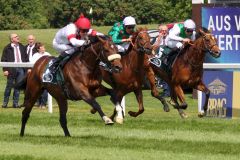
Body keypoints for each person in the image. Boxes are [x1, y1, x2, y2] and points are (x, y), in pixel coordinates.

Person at [1, 33, 28, 108]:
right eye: (16, 37)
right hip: (11, 69)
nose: (18, 37)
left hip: (21, 69)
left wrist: (27, 68)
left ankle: (15, 104)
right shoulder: (7, 48)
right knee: (9, 86)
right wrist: (5, 70)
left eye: (17, 36)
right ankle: (5, 103)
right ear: (12, 39)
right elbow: (3, 59)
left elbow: (26, 58)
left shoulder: (22, 47)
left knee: (18, 87)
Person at [152, 24, 170, 98]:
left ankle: (167, 92)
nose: (164, 32)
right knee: (162, 77)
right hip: (159, 61)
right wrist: (158, 41)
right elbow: (153, 50)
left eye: (166, 30)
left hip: (169, 59)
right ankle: (166, 91)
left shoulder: (171, 38)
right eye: (162, 31)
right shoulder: (156, 39)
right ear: (159, 31)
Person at [31, 42, 51, 108]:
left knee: (45, 89)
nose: (44, 48)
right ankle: (39, 103)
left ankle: (43, 104)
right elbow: (32, 65)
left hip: (46, 75)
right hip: (37, 75)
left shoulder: (48, 54)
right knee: (38, 89)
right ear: (38, 49)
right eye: (42, 47)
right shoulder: (35, 56)